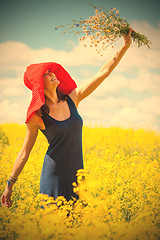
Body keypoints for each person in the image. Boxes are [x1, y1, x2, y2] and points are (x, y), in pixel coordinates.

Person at [1, 28, 132, 208]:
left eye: (50, 71)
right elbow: (24, 153)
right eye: (46, 74)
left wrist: (125, 46)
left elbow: (103, 72)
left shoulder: (73, 98)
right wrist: (9, 184)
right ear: (39, 83)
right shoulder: (37, 116)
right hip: (53, 177)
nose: (52, 73)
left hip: (77, 177)